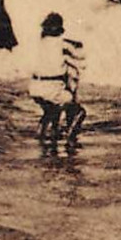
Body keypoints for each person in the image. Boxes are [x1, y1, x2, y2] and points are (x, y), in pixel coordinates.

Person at [28, 13, 86, 157]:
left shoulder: (41, 42)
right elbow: (80, 58)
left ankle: (40, 137)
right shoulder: (63, 44)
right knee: (79, 111)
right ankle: (70, 140)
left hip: (34, 87)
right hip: (51, 88)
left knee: (51, 111)